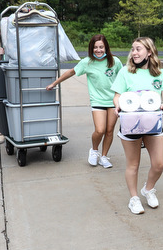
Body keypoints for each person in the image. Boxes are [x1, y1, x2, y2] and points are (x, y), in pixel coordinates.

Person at [111, 37, 163, 214]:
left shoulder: (160, 73)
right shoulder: (125, 72)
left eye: (138, 49)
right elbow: (117, 95)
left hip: (153, 124)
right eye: (133, 49)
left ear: (149, 52)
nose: (134, 52)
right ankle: (134, 198)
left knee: (159, 164)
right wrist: (118, 105)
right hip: (130, 124)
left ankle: (148, 189)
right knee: (133, 164)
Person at [47, 34, 123, 168]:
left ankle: (104, 156)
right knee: (100, 130)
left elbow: (124, 78)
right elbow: (70, 72)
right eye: (95, 47)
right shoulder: (87, 62)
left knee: (109, 130)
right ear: (91, 48)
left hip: (113, 101)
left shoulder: (115, 61)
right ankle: (94, 151)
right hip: (98, 100)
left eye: (101, 47)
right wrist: (55, 83)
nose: (98, 50)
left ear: (106, 48)